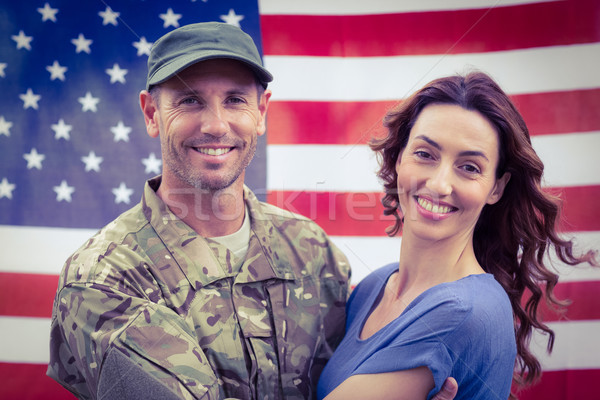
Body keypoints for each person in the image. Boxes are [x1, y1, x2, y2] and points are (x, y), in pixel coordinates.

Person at [47, 22, 459, 400]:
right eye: (190, 100)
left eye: (235, 100)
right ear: (153, 114)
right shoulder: (103, 280)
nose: (215, 124)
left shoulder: (312, 252)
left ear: (261, 112)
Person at [316, 71, 598, 400]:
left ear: (496, 187)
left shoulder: (462, 312)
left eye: (469, 167)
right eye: (425, 154)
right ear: (398, 160)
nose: (438, 184)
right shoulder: (372, 288)